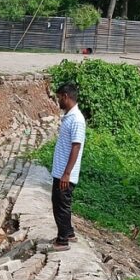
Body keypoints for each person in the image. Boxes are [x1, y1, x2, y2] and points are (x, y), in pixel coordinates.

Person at [50, 83, 86, 252]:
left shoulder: (77, 119)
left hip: (65, 173)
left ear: (65, 96)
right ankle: (69, 232)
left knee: (60, 205)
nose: (58, 101)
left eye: (59, 98)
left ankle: (62, 240)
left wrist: (66, 173)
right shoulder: (70, 117)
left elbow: (76, 146)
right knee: (62, 203)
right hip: (61, 171)